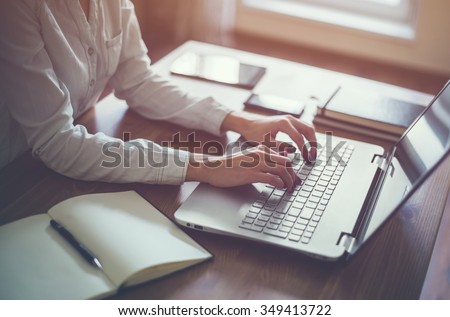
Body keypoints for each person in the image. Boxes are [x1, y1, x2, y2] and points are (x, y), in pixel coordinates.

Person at [0, 0, 316, 192]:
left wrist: (241, 121)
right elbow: (57, 143)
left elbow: (138, 81)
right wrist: (207, 167)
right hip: (15, 180)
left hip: (57, 164)